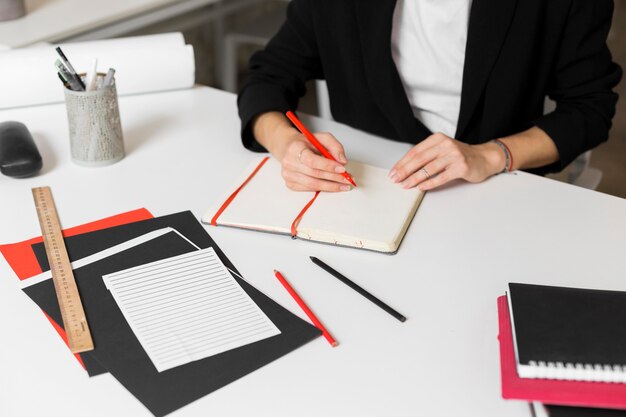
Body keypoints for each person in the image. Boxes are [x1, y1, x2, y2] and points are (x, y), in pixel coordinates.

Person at [237, 0, 622, 192]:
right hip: (366, 183)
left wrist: (491, 155)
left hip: (492, 189)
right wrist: (288, 146)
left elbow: (588, 109)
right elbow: (270, 76)